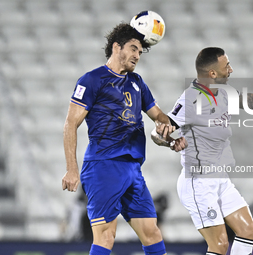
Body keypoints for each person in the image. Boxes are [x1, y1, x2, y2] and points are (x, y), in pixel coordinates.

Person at [152, 47, 253, 255]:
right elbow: (157, 134)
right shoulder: (190, 100)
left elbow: (249, 102)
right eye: (226, 66)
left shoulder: (224, 93)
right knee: (219, 245)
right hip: (198, 182)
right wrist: (170, 142)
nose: (231, 69)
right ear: (212, 73)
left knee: (248, 230)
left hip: (220, 178)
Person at [62, 23, 184, 255]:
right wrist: (71, 169)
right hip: (103, 166)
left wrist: (167, 128)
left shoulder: (137, 82)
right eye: (134, 48)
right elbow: (70, 124)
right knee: (106, 237)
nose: (138, 55)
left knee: (152, 234)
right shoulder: (92, 80)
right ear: (117, 47)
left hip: (132, 169)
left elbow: (157, 114)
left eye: (140, 52)